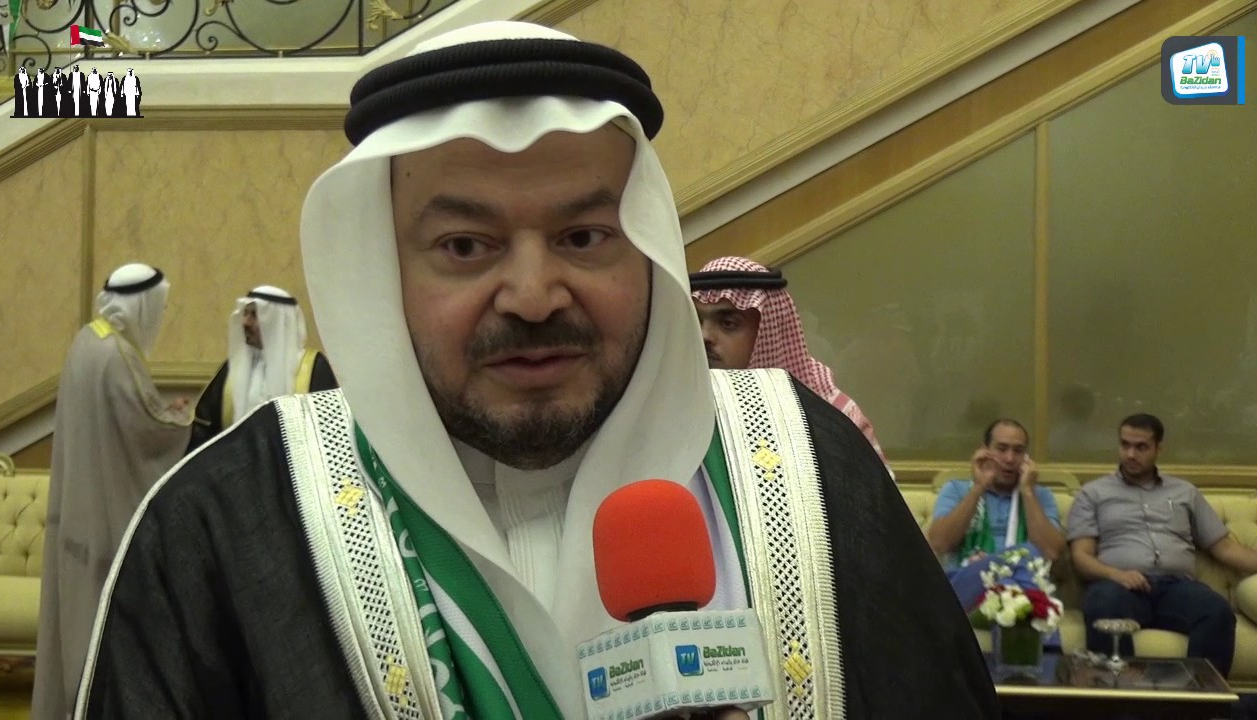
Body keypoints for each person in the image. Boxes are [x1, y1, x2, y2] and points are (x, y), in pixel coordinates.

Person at [73, 21, 997, 720]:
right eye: (465, 245)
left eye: (583, 237)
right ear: (385, 273)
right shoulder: (231, 521)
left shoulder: (809, 472)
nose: (532, 294)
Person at [31, 263, 193, 720]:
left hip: (79, 515)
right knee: (103, 628)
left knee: (76, 623)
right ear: (143, 305)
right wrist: (181, 419)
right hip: (105, 520)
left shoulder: (87, 341)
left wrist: (159, 412)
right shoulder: (117, 355)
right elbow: (147, 432)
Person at [1068, 413, 1257, 677]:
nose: (1131, 454)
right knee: (1102, 604)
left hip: (1176, 588)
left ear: (1159, 448)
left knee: (1217, 611)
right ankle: (1120, 697)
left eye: (1141, 447)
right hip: (1119, 587)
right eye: (1125, 445)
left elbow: (1224, 548)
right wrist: (1117, 575)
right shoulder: (1093, 493)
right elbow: (1081, 556)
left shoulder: (1184, 492)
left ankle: (1198, 697)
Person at [690, 255, 889, 467]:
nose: (704, 336)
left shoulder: (835, 417)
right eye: (698, 321)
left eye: (728, 323)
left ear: (768, 332)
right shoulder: (682, 407)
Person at [927, 419, 1066, 610]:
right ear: (985, 452)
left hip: (1018, 591)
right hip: (965, 584)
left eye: (1018, 451)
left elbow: (1051, 553)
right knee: (1027, 554)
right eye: (1001, 449)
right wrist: (979, 487)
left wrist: (1027, 492)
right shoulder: (956, 489)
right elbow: (940, 544)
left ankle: (1012, 593)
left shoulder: (1039, 495)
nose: (1009, 458)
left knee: (1013, 585)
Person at [186, 285, 337, 454]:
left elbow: (330, 433)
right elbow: (205, 429)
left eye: (254, 315)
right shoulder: (233, 369)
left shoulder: (311, 368)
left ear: (277, 322)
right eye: (245, 314)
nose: (245, 322)